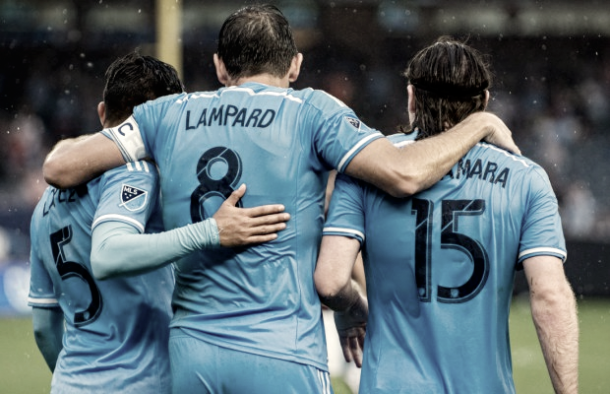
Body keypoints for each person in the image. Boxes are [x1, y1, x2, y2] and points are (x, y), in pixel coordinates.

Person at [41, 5, 520, 393]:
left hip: (193, 354)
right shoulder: (311, 110)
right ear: (294, 65)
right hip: (281, 350)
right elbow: (404, 174)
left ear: (219, 66)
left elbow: (58, 167)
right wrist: (479, 123)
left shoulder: (166, 113)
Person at [315, 37, 579, 394]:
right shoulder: (526, 178)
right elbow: (549, 296)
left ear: (411, 98)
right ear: (484, 102)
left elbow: (330, 282)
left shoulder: (364, 169)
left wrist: (351, 306)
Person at [28, 52, 289, 393]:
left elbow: (44, 328)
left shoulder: (44, 204)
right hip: (140, 384)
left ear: (102, 113)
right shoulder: (133, 173)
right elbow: (109, 255)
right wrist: (212, 231)